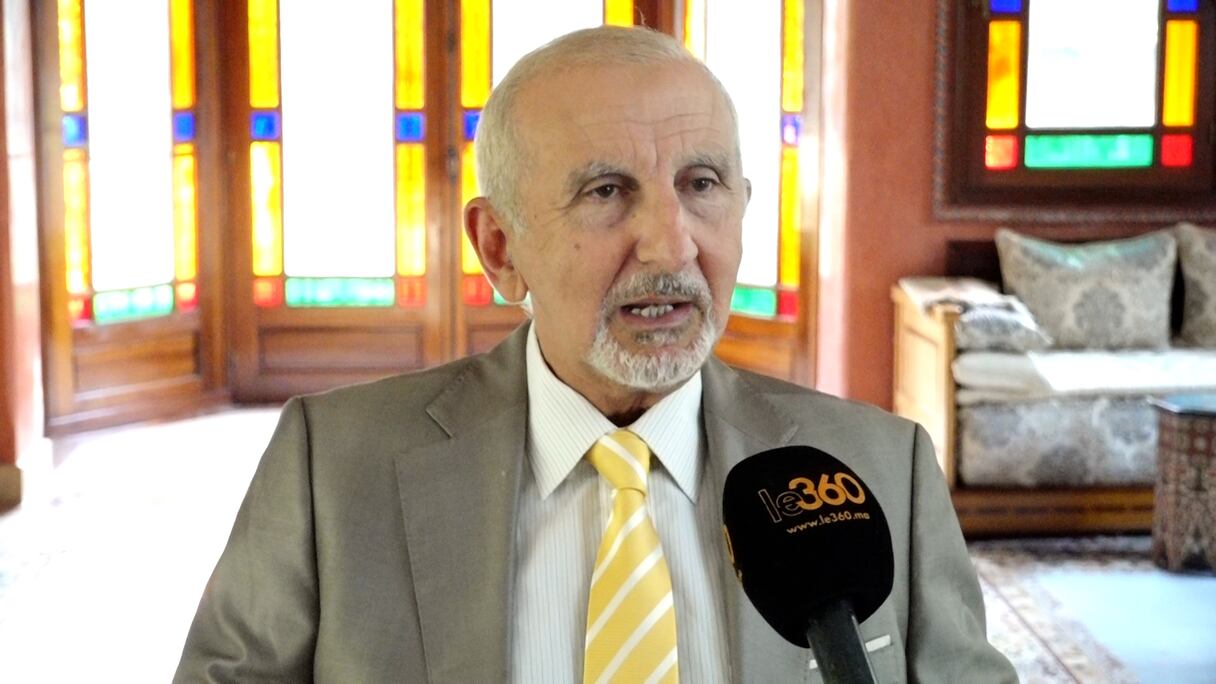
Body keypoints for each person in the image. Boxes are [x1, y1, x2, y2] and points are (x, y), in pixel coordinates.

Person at [175, 26, 1017, 683]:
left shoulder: (883, 469)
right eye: (606, 192)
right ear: (499, 247)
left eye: (702, 184)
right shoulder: (331, 468)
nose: (671, 245)